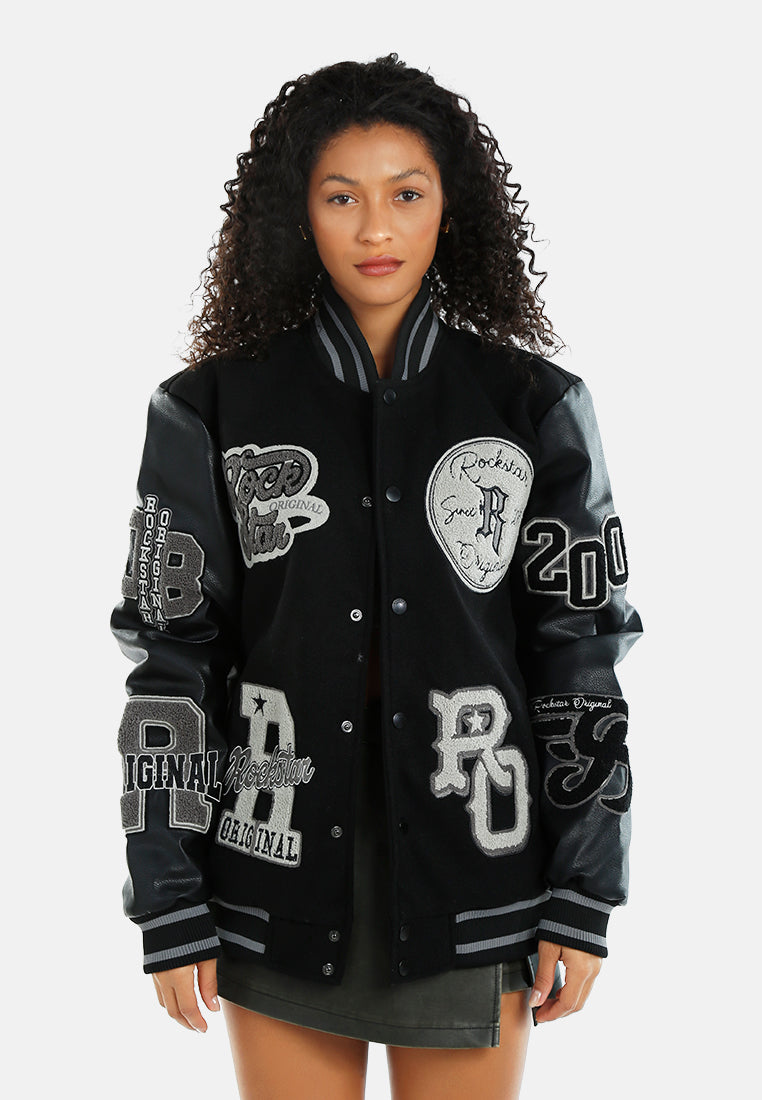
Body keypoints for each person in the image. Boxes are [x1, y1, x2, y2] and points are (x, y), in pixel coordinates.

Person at [111, 53, 642, 1100]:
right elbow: (171, 661)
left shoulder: (533, 406)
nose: (374, 230)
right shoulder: (209, 409)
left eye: (406, 194)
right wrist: (167, 897)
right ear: (296, 212)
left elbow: (582, 656)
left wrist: (585, 891)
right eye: (340, 196)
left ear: (453, 206)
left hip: (475, 867)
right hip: (270, 863)